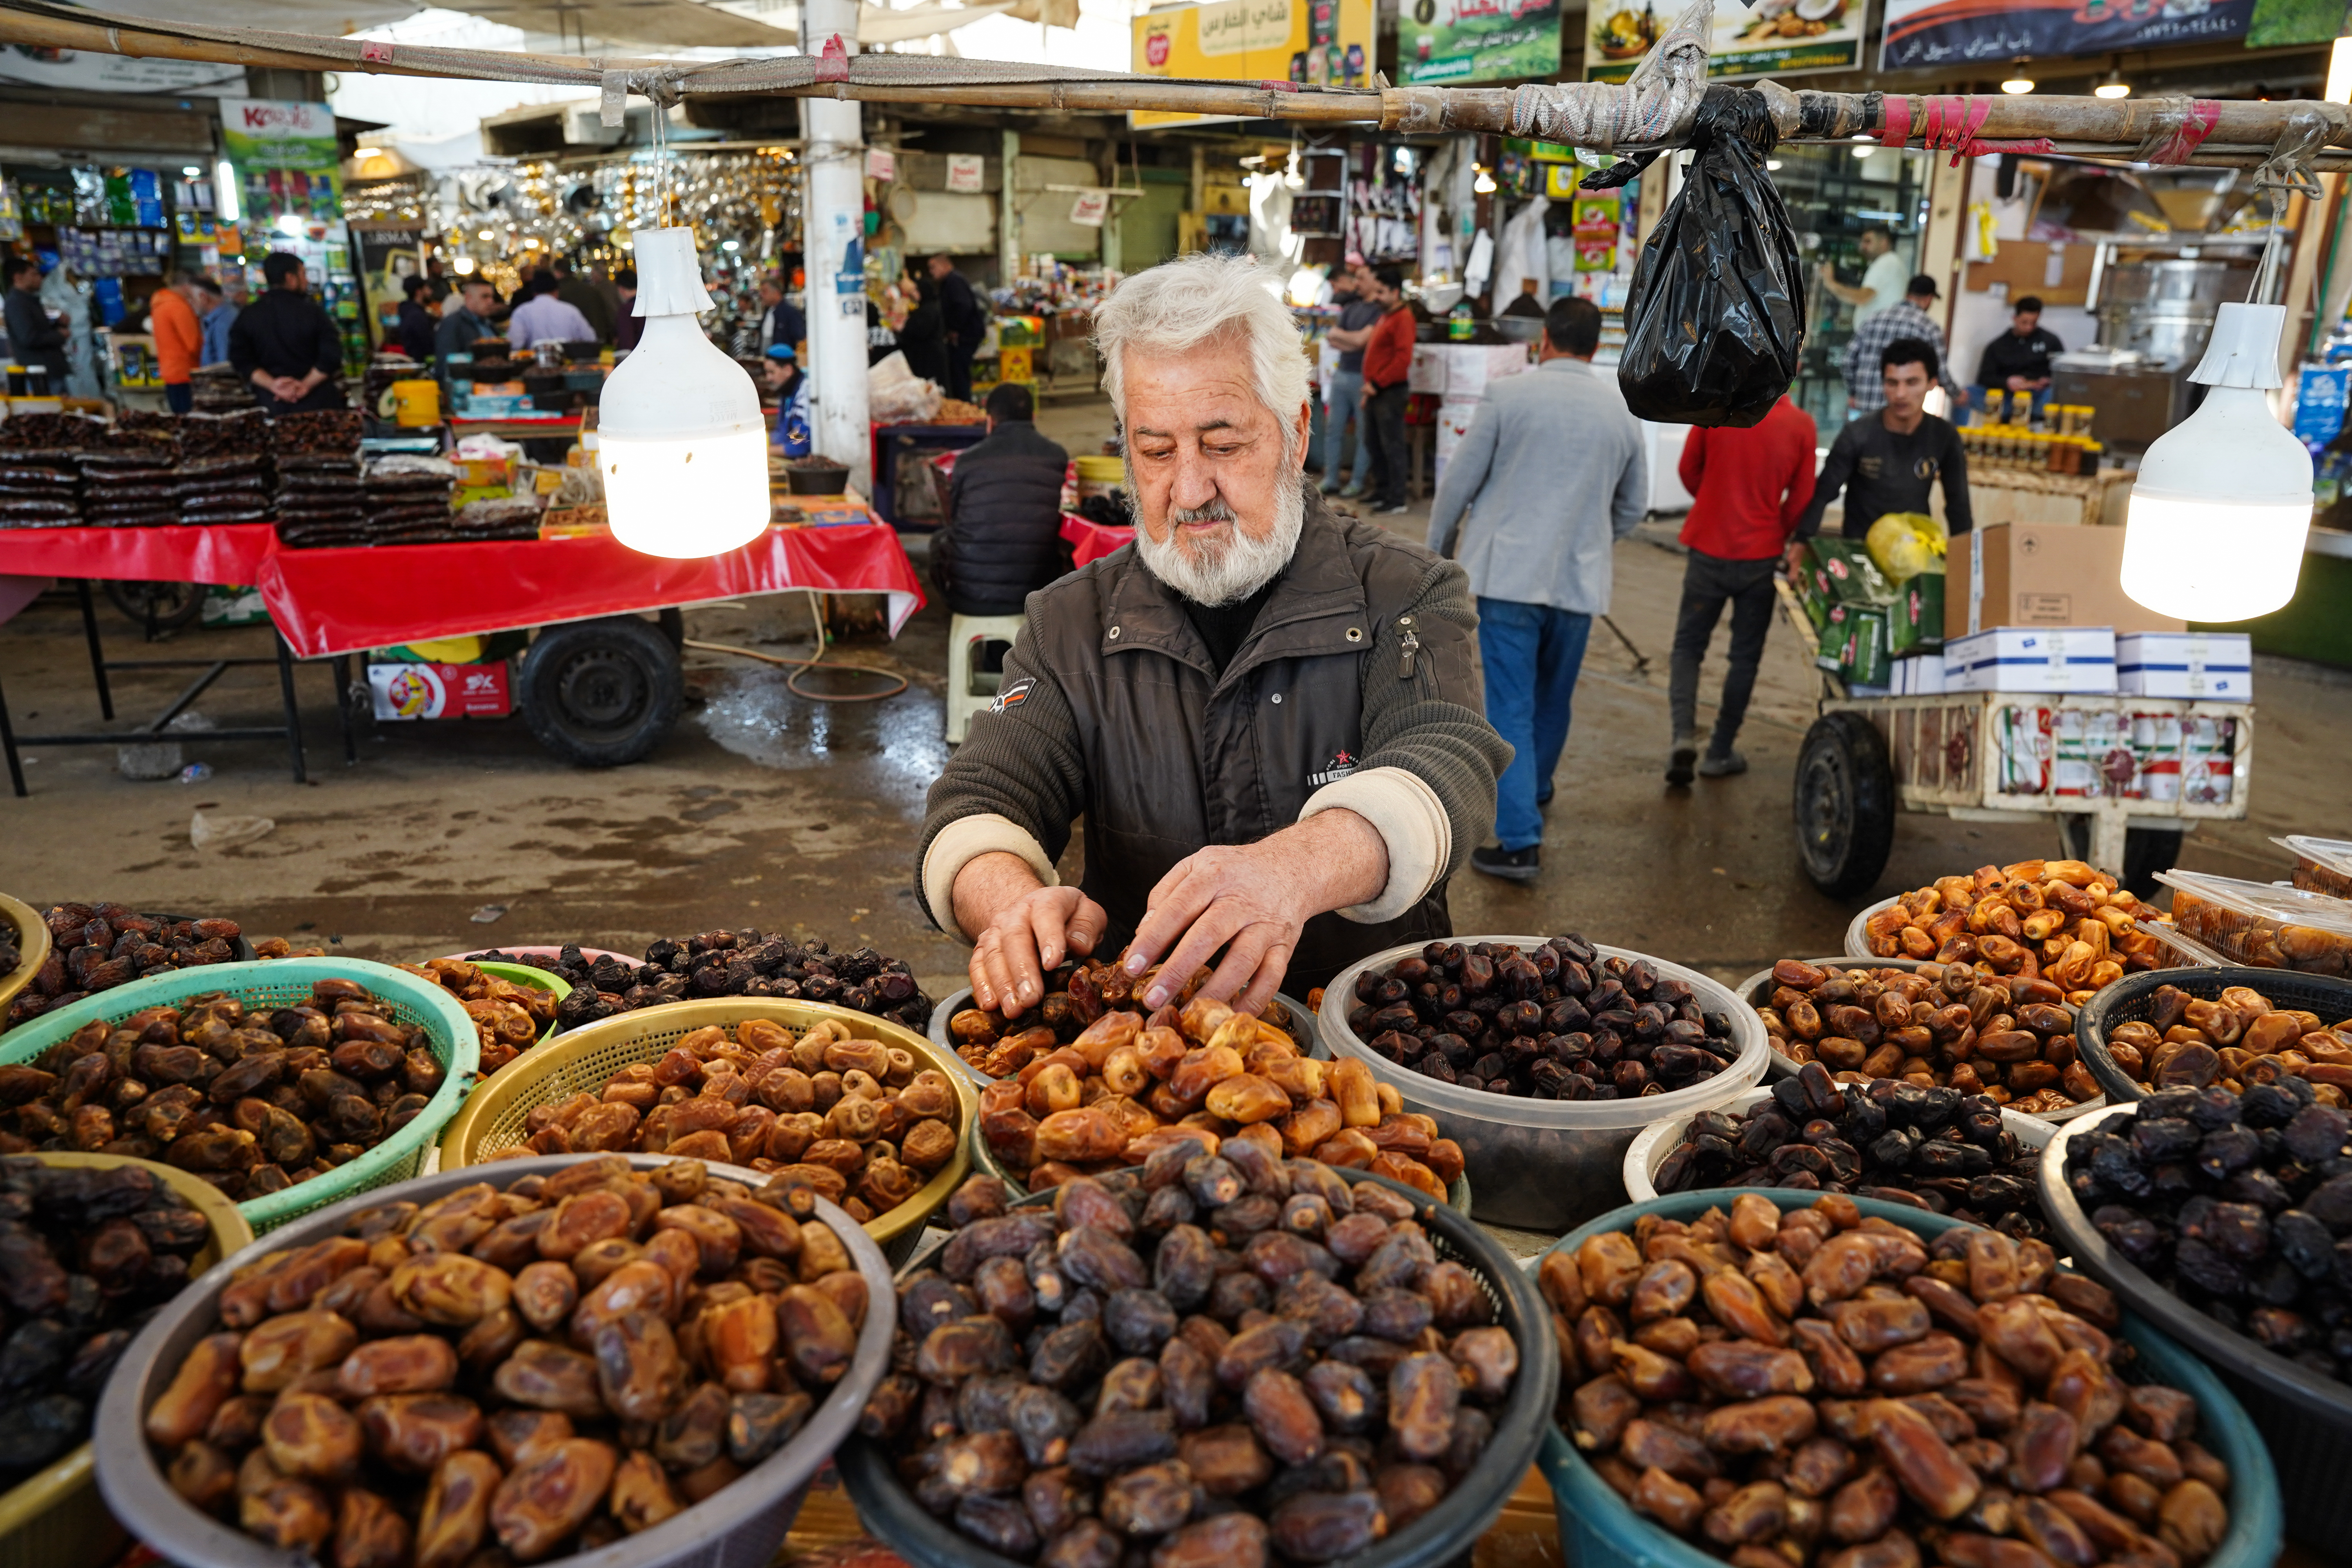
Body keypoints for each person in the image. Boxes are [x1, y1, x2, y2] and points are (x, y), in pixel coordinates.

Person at [918, 254, 1508, 1015]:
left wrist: (1298, 865)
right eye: (1156, 450)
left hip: (1369, 1037)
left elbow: (1448, 763)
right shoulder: (1069, 620)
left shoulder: (1405, 590)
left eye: (1223, 445)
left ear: (1296, 434)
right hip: (1153, 1058)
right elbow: (983, 794)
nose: (1190, 489)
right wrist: (1009, 901)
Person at [1425, 295, 1645, 881]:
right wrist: (1592, 543)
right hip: (1579, 583)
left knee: (1511, 704)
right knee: (1552, 699)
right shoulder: (1621, 413)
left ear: (1544, 339)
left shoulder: (1508, 395)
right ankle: (1535, 788)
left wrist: (1439, 546)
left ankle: (1519, 840)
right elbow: (1634, 507)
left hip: (1510, 580)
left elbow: (1459, 484)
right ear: (1598, 346)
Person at [1668, 393, 1818, 785]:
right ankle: (1719, 751)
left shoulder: (1717, 409)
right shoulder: (1802, 426)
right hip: (1760, 558)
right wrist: (1776, 529)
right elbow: (1802, 499)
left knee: (1688, 647)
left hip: (1707, 547)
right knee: (1745, 657)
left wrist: (1715, 503)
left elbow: (1688, 470)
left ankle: (1683, 735)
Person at [1799, 337, 1973, 543]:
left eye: (1912, 382)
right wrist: (1801, 542)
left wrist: (1966, 564)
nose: (1901, 394)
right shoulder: (1857, 434)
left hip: (1915, 551)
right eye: (1892, 383)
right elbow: (1822, 494)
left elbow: (1958, 505)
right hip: (1860, 550)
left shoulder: (1945, 436)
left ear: (1932, 384)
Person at [931, 381, 1071, 615]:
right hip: (1037, 592)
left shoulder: (968, 461)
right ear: (1033, 417)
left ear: (990, 420)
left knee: (939, 542)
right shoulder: (1056, 456)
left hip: (969, 597)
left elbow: (955, 518)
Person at [228, 251, 346, 414]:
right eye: (304, 275)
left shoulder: (248, 315)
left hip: (272, 406)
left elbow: (241, 361)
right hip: (319, 407)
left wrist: (274, 386)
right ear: (290, 278)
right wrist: (305, 385)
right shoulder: (313, 312)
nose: (307, 281)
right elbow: (332, 356)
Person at [1842, 273, 1964, 416]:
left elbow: (1848, 361)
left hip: (1864, 410)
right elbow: (1941, 372)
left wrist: (1854, 392)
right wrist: (1957, 396)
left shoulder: (1873, 320)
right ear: (1929, 299)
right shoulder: (1929, 328)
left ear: (1907, 294)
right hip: (1901, 413)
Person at [1356, 265, 1416, 517]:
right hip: (1376, 392)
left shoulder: (1403, 318)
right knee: (1374, 443)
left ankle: (1396, 498)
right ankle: (1382, 490)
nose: (1376, 296)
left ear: (1395, 292)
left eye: (1381, 292)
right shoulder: (1385, 315)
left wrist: (1377, 384)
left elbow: (1403, 359)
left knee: (1392, 446)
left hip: (1389, 392)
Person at [1318, 261, 1381, 499]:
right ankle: (1331, 479)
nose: (1356, 283)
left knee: (1363, 433)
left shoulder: (1379, 311)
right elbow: (1332, 337)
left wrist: (1349, 340)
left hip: (1363, 377)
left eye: (1362, 278)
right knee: (1333, 429)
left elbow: (1360, 342)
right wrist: (1352, 340)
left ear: (1375, 281)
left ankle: (1357, 481)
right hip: (1342, 373)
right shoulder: (1352, 308)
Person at [1974, 294, 2065, 423]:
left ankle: (2037, 423)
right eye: (2025, 322)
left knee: (2052, 394)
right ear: (2015, 318)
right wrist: (2007, 382)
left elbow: (2062, 373)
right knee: (1972, 392)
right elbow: (1984, 378)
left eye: (2033, 323)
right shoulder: (1997, 346)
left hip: (2039, 395)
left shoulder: (2051, 341)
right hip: (2007, 396)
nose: (2029, 327)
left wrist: (2049, 381)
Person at [1817, 225, 1909, 325]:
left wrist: (1831, 283)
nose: (1862, 247)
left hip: (1877, 332)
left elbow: (1862, 297)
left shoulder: (1886, 263)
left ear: (1884, 242)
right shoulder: (1892, 262)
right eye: (1863, 242)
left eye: (1868, 242)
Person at [931, 254, 986, 404]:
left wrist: (954, 330)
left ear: (945, 266)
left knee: (960, 374)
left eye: (933, 267)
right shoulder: (950, 282)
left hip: (966, 337)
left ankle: (965, 407)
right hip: (965, 335)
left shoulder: (954, 282)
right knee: (958, 373)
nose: (931, 272)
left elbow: (964, 306)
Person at [3, 256, 66, 388]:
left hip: (50, 370)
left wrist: (58, 324)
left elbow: (39, 329)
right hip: (39, 375)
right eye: (34, 274)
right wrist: (59, 335)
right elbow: (28, 337)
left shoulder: (28, 301)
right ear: (18, 278)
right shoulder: (16, 304)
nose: (40, 279)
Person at [148, 269, 204, 413]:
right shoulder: (178, 307)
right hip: (186, 373)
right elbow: (193, 344)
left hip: (170, 371)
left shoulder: (160, 303)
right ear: (187, 286)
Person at [505, 270, 595, 351]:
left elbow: (515, 344)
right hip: (567, 364)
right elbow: (590, 339)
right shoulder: (570, 310)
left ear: (534, 293)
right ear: (556, 292)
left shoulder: (522, 312)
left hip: (536, 366)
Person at [434, 276, 499, 376]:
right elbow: (445, 365)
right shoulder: (452, 324)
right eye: (485, 297)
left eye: (492, 297)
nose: (491, 302)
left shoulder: (489, 324)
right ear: (469, 298)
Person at [897, 271, 947, 383]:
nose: (914, 294)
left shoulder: (928, 311)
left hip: (929, 359)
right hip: (928, 356)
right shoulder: (929, 307)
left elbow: (918, 332)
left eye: (917, 290)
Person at [552, 257, 613, 343]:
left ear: (557, 272)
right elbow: (606, 315)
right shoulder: (591, 290)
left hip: (571, 343)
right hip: (597, 341)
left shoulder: (558, 294)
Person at [766, 345, 809, 457]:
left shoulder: (804, 393)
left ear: (788, 370)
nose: (768, 378)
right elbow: (783, 434)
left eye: (772, 372)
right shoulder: (788, 392)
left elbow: (800, 442)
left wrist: (760, 452)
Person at [757, 271, 805, 360]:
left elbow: (800, 340)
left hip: (783, 363)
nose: (761, 295)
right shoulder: (768, 312)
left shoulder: (791, 313)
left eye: (765, 291)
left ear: (776, 292)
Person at [395, 273, 438, 362]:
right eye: (427, 289)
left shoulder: (410, 312)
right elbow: (428, 345)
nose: (431, 292)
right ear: (418, 292)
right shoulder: (417, 317)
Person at [196, 276, 237, 366]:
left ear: (203, 297)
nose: (189, 302)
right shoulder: (214, 320)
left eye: (190, 297)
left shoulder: (224, 321)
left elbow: (226, 365)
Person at [613, 268, 642, 352]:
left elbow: (626, 345)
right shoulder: (649, 305)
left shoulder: (626, 310)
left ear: (621, 289)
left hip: (637, 359)